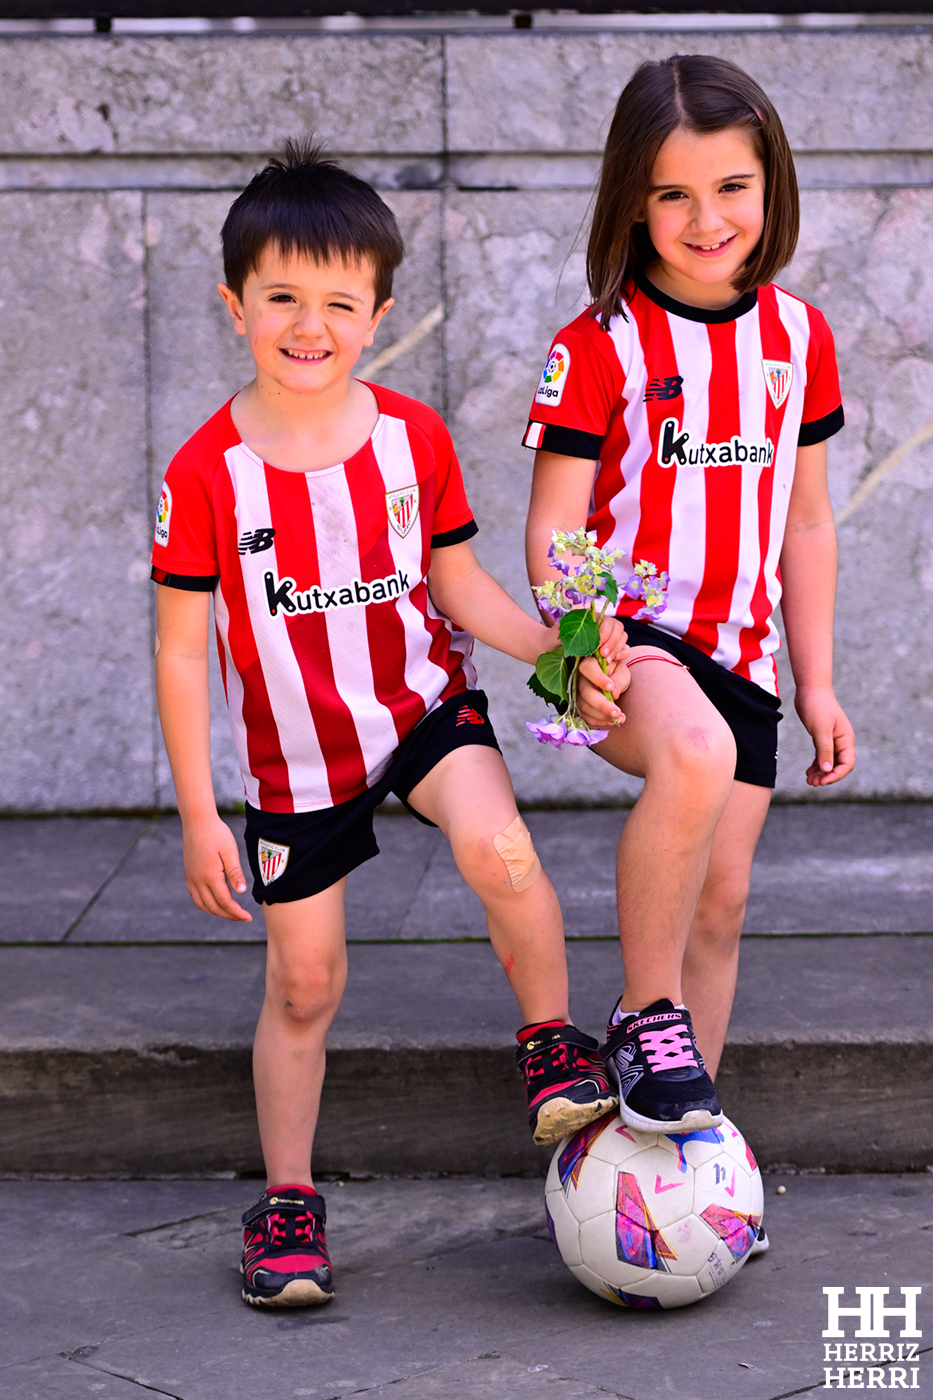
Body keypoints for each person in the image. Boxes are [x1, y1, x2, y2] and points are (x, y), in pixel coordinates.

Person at [151, 139, 627, 1308]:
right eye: (282, 300)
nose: (309, 325)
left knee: (500, 847)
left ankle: (552, 1045)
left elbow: (460, 588)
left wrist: (563, 646)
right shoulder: (205, 472)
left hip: (421, 707)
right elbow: (177, 646)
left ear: (379, 312)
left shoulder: (412, 440)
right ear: (236, 305)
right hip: (292, 757)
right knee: (305, 981)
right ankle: (290, 1197)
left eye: (338, 303)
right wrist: (198, 807)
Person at [524, 55, 855, 1180]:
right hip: (627, 641)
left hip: (745, 651)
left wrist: (815, 681)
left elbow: (806, 524)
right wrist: (579, 649)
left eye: (731, 188)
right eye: (672, 194)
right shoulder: (601, 342)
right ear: (630, 200)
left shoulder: (800, 338)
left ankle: (678, 1153)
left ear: (773, 189)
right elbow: (554, 525)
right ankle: (640, 1012)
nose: (707, 218)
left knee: (722, 900)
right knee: (695, 750)